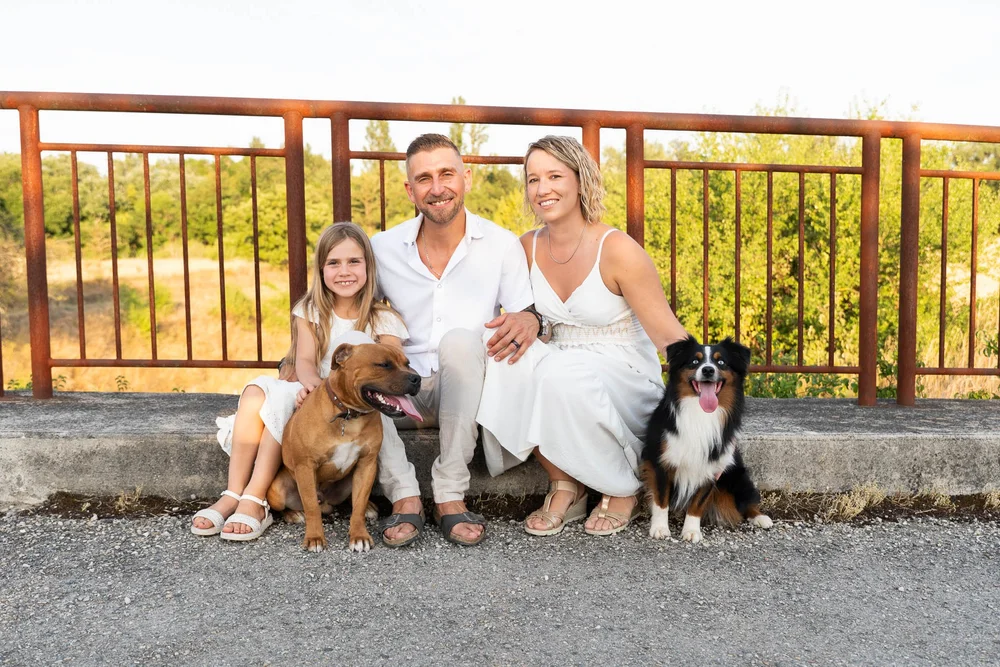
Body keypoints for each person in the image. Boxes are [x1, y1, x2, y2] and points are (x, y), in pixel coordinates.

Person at [476, 135, 688, 537]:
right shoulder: (524, 247)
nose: (543, 189)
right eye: (533, 179)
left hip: (621, 373)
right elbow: (514, 314)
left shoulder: (618, 249)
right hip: (558, 370)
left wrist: (709, 387)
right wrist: (529, 320)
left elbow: (667, 335)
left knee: (560, 374)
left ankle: (622, 486)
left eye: (554, 176)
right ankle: (565, 483)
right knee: (501, 360)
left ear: (580, 180)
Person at [371, 133, 539, 547]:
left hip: (464, 388)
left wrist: (531, 320)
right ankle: (404, 494)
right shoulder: (382, 247)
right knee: (360, 365)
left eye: (447, 173)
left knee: (462, 341)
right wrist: (295, 360)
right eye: (424, 178)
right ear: (410, 190)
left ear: (466, 177)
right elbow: (340, 309)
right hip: (400, 395)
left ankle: (449, 494)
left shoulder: (501, 244)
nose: (438, 187)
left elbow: (525, 313)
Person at [191, 222, 408, 541]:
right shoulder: (310, 310)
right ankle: (235, 494)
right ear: (321, 269)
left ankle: (255, 498)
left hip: (354, 403)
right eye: (333, 263)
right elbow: (304, 361)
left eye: (354, 262)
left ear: (368, 266)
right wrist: (313, 387)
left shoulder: (382, 318)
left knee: (281, 402)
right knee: (256, 393)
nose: (344, 271)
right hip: (311, 387)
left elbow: (395, 370)